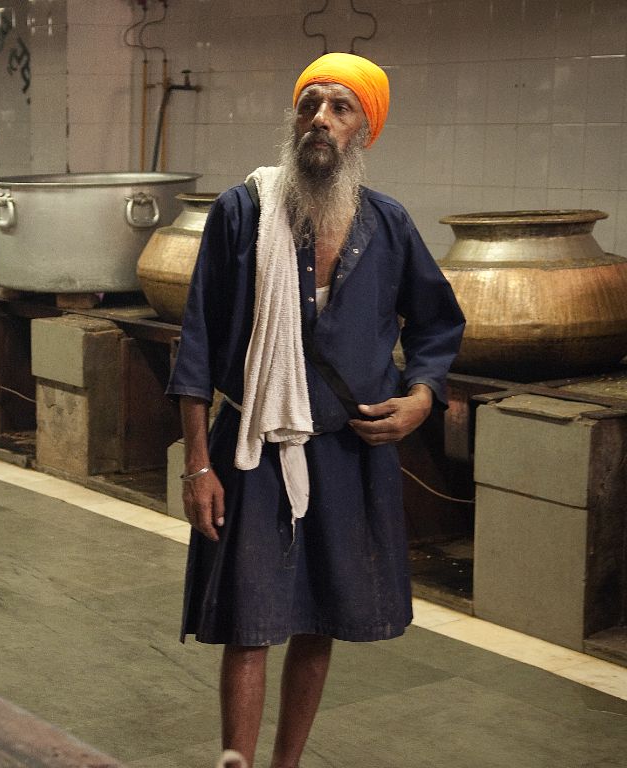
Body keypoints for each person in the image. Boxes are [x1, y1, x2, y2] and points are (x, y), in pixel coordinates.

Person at [167, 53, 465, 768]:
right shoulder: (243, 213)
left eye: (340, 107)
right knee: (248, 622)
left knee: (319, 618)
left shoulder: (388, 224)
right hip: (254, 447)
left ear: (366, 129)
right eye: (309, 105)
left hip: (348, 449)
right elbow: (197, 343)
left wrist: (422, 398)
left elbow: (437, 323)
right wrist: (198, 465)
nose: (320, 120)